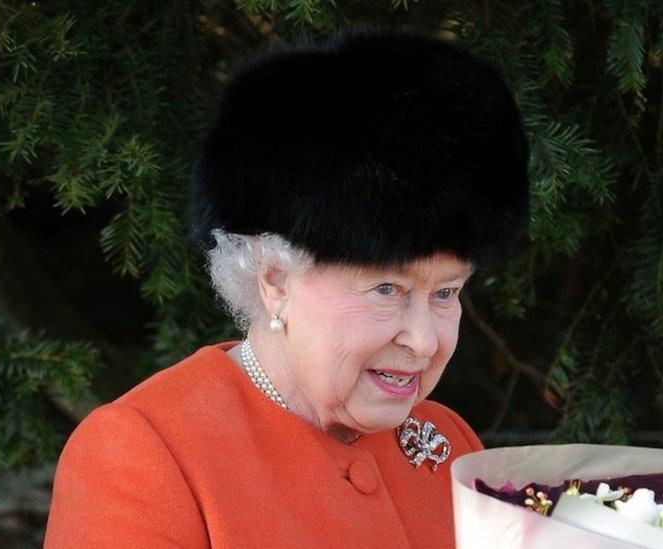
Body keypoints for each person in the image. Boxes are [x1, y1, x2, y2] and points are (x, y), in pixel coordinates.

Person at [44, 28, 530, 548]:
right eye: (387, 289)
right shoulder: (145, 452)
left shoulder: (448, 442)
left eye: (445, 293)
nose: (425, 341)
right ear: (275, 281)